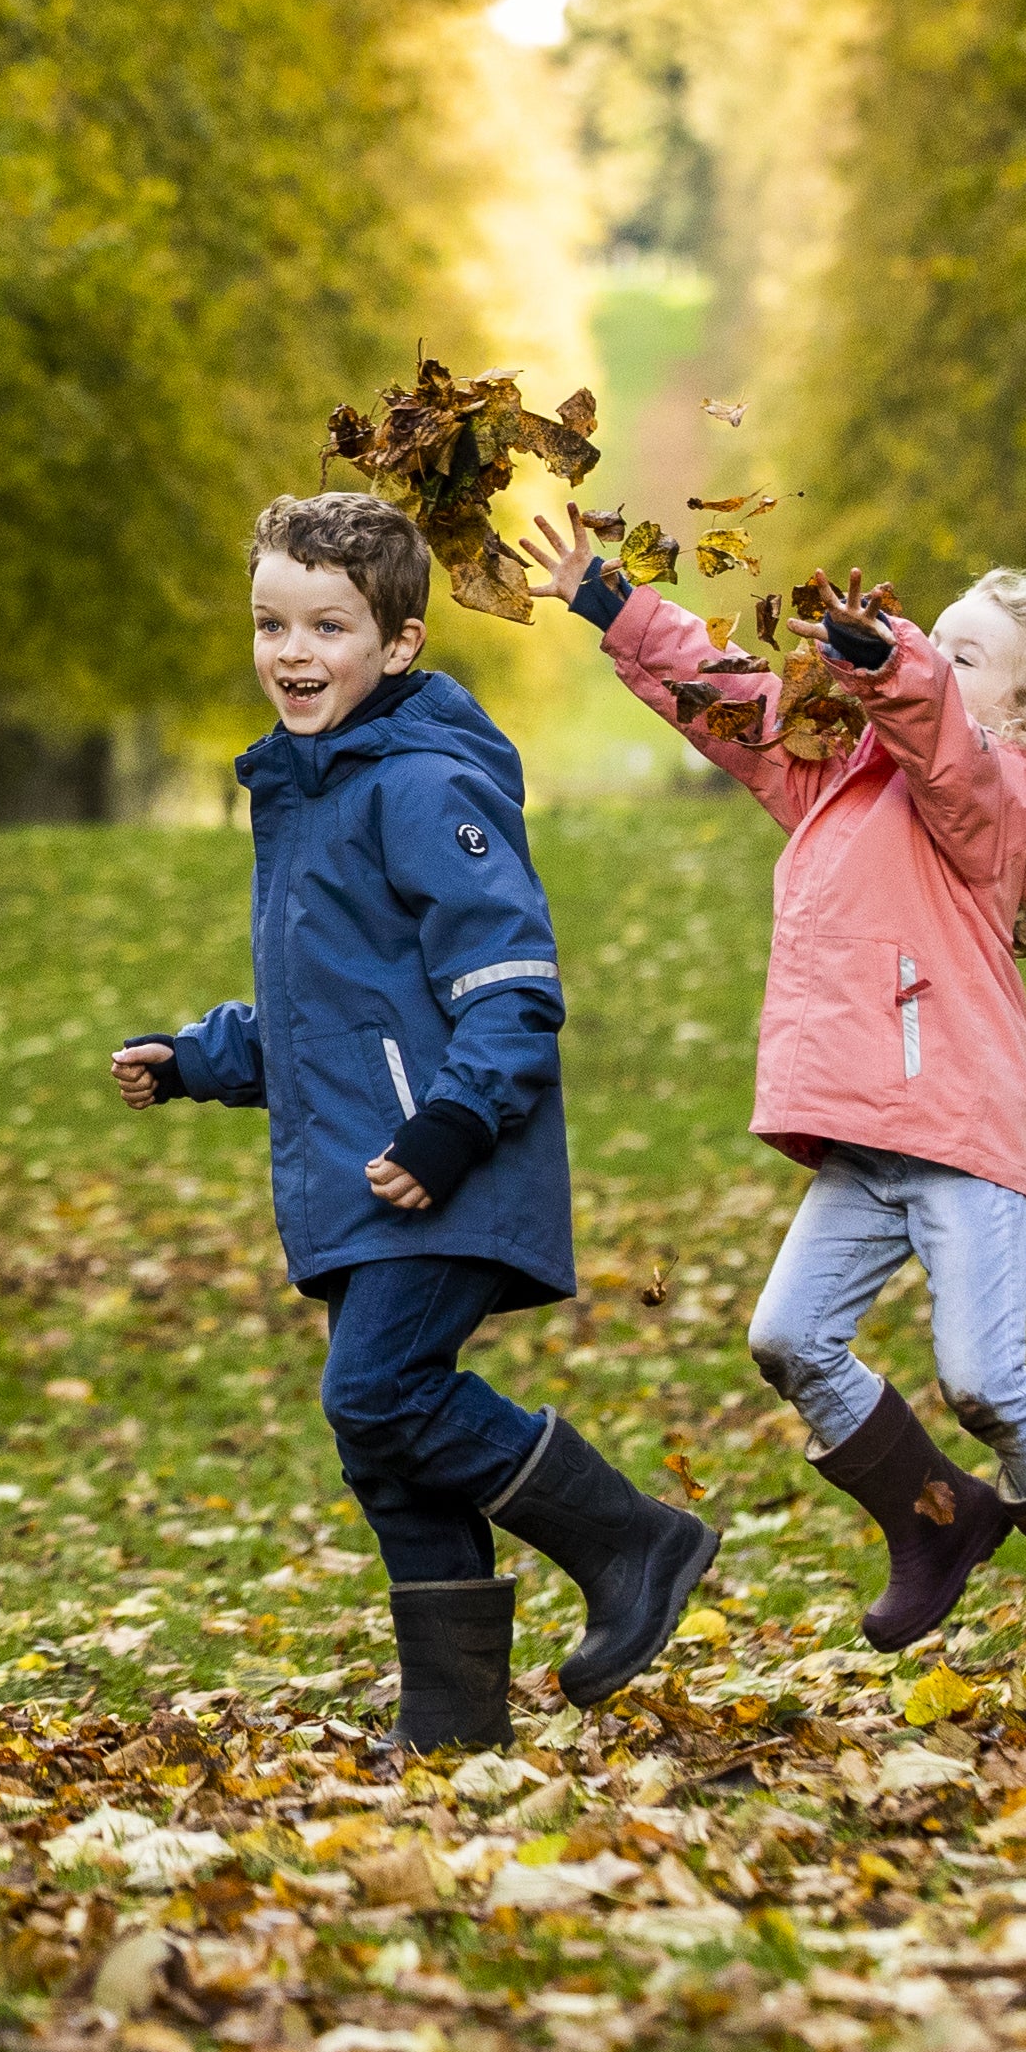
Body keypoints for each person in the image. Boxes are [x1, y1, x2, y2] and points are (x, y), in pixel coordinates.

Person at [519, 514, 1026, 1689]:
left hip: (960, 1131)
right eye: (935, 641)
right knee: (787, 1337)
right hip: (867, 1136)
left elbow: (953, 756)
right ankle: (936, 1517)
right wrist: (615, 602)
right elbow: (732, 699)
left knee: (983, 1378)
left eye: (961, 654)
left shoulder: (1008, 798)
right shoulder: (838, 772)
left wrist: (898, 668)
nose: (928, 652)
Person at [109, 491, 719, 1754]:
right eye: (272, 623)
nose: (292, 652)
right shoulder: (314, 790)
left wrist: (450, 1127)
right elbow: (326, 1007)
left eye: (328, 626)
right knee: (384, 1447)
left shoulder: (422, 781)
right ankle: (453, 1723)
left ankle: (632, 1542)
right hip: (364, 1173)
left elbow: (512, 981)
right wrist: (202, 1058)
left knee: (378, 1393)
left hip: (444, 1168)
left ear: (399, 645)